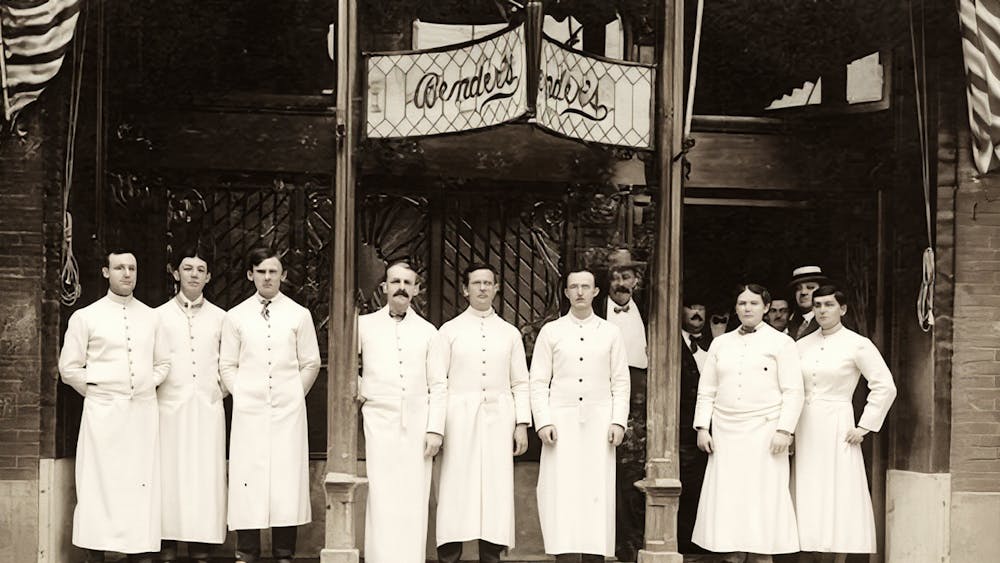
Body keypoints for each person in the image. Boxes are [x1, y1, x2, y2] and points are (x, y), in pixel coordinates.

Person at [58, 249, 170, 562]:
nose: (126, 274)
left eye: (132, 268)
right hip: (103, 414)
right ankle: (97, 551)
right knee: (100, 481)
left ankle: (139, 551)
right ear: (106, 272)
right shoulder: (86, 317)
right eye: (119, 267)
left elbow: (163, 362)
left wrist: (148, 381)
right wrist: (95, 390)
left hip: (142, 412)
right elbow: (69, 369)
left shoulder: (151, 317)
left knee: (139, 481)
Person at [220, 248, 321, 563]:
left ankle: (283, 552)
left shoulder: (298, 314)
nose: (267, 277)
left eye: (273, 272)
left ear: (283, 276)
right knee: (248, 477)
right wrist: (244, 394)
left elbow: (311, 362)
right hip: (249, 410)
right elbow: (226, 365)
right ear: (251, 274)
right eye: (261, 271)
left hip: (287, 411)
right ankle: (247, 550)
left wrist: (292, 394)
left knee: (285, 479)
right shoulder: (235, 316)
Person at [692, 283, 804, 562]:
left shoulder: (781, 343)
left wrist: (784, 430)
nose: (747, 308)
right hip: (726, 433)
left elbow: (793, 391)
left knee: (762, 499)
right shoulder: (721, 343)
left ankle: (761, 556)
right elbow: (707, 389)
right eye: (742, 303)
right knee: (730, 498)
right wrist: (703, 427)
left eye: (753, 303)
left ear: (766, 308)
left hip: (765, 432)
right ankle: (732, 554)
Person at [430, 263, 530, 563]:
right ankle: (450, 556)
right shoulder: (449, 332)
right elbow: (437, 382)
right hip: (458, 418)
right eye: (476, 283)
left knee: (495, 491)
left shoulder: (509, 333)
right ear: (465, 289)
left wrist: (521, 424)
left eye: (488, 283)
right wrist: (437, 427)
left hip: (499, 418)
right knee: (455, 487)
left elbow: (520, 382)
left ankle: (491, 556)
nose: (483, 288)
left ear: (497, 288)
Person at [530, 269, 631, 563]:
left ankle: (595, 555)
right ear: (566, 292)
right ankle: (565, 555)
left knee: (596, 489)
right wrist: (544, 420)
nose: (580, 292)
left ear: (596, 292)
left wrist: (618, 421)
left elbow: (620, 381)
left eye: (586, 287)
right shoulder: (552, 332)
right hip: (561, 423)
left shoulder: (611, 333)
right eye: (573, 287)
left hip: (600, 422)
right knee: (562, 490)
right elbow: (538, 381)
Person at [794, 285, 897, 561]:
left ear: (843, 309)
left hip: (838, 424)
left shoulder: (857, 343)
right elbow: (789, 387)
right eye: (817, 305)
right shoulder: (800, 345)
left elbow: (885, 385)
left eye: (829, 305)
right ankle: (809, 552)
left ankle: (839, 558)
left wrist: (865, 426)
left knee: (838, 489)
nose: (822, 310)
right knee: (807, 487)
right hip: (803, 425)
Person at [358, 262, 445, 563]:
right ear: (384, 287)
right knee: (382, 494)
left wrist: (435, 428)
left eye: (408, 282)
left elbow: (438, 384)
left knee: (413, 496)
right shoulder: (363, 325)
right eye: (395, 281)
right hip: (379, 420)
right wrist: (361, 388)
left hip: (418, 423)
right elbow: (346, 367)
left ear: (417, 289)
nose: (401, 287)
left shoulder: (428, 332)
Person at [156, 248, 227, 563]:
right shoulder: (157, 316)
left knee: (204, 476)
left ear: (208, 276)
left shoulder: (222, 318)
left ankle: (201, 547)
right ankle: (167, 544)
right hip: (168, 409)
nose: (194, 274)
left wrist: (218, 392)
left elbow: (230, 364)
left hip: (207, 410)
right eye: (188, 268)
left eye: (201, 269)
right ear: (176, 273)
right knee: (169, 475)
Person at [592, 249, 647, 561]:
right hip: (602, 394)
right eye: (614, 277)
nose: (620, 283)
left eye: (626, 276)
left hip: (638, 402)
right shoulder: (596, 311)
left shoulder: (651, 311)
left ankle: (628, 546)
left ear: (636, 280)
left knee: (630, 476)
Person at [679, 291, 711, 554]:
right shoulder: (670, 341)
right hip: (680, 427)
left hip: (715, 427)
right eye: (690, 306)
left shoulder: (718, 340)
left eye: (700, 306)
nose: (696, 312)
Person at [786, 266, 828, 341]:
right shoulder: (790, 322)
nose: (803, 292)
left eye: (810, 287)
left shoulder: (831, 321)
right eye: (798, 289)